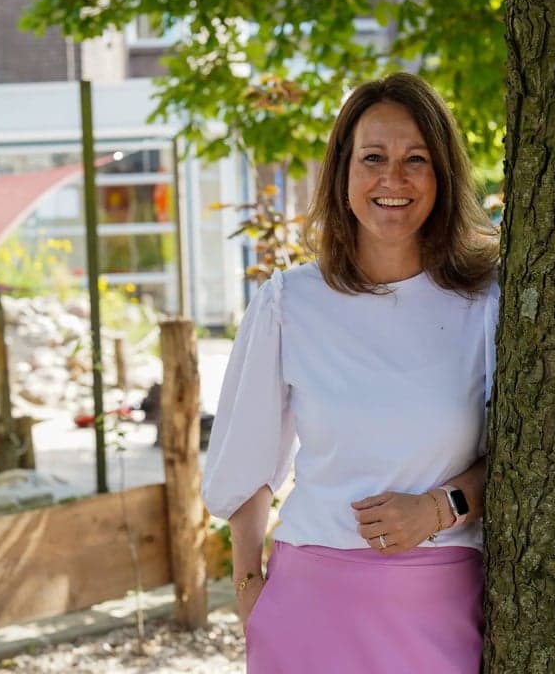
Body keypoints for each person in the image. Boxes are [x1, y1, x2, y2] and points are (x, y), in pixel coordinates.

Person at [202, 72, 500, 673]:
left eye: (416, 158)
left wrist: (442, 507)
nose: (393, 179)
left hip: (438, 603)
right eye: (373, 158)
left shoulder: (487, 302)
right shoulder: (289, 302)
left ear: (442, 175)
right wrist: (249, 596)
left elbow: (525, 458)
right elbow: (247, 462)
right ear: (342, 173)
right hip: (308, 603)